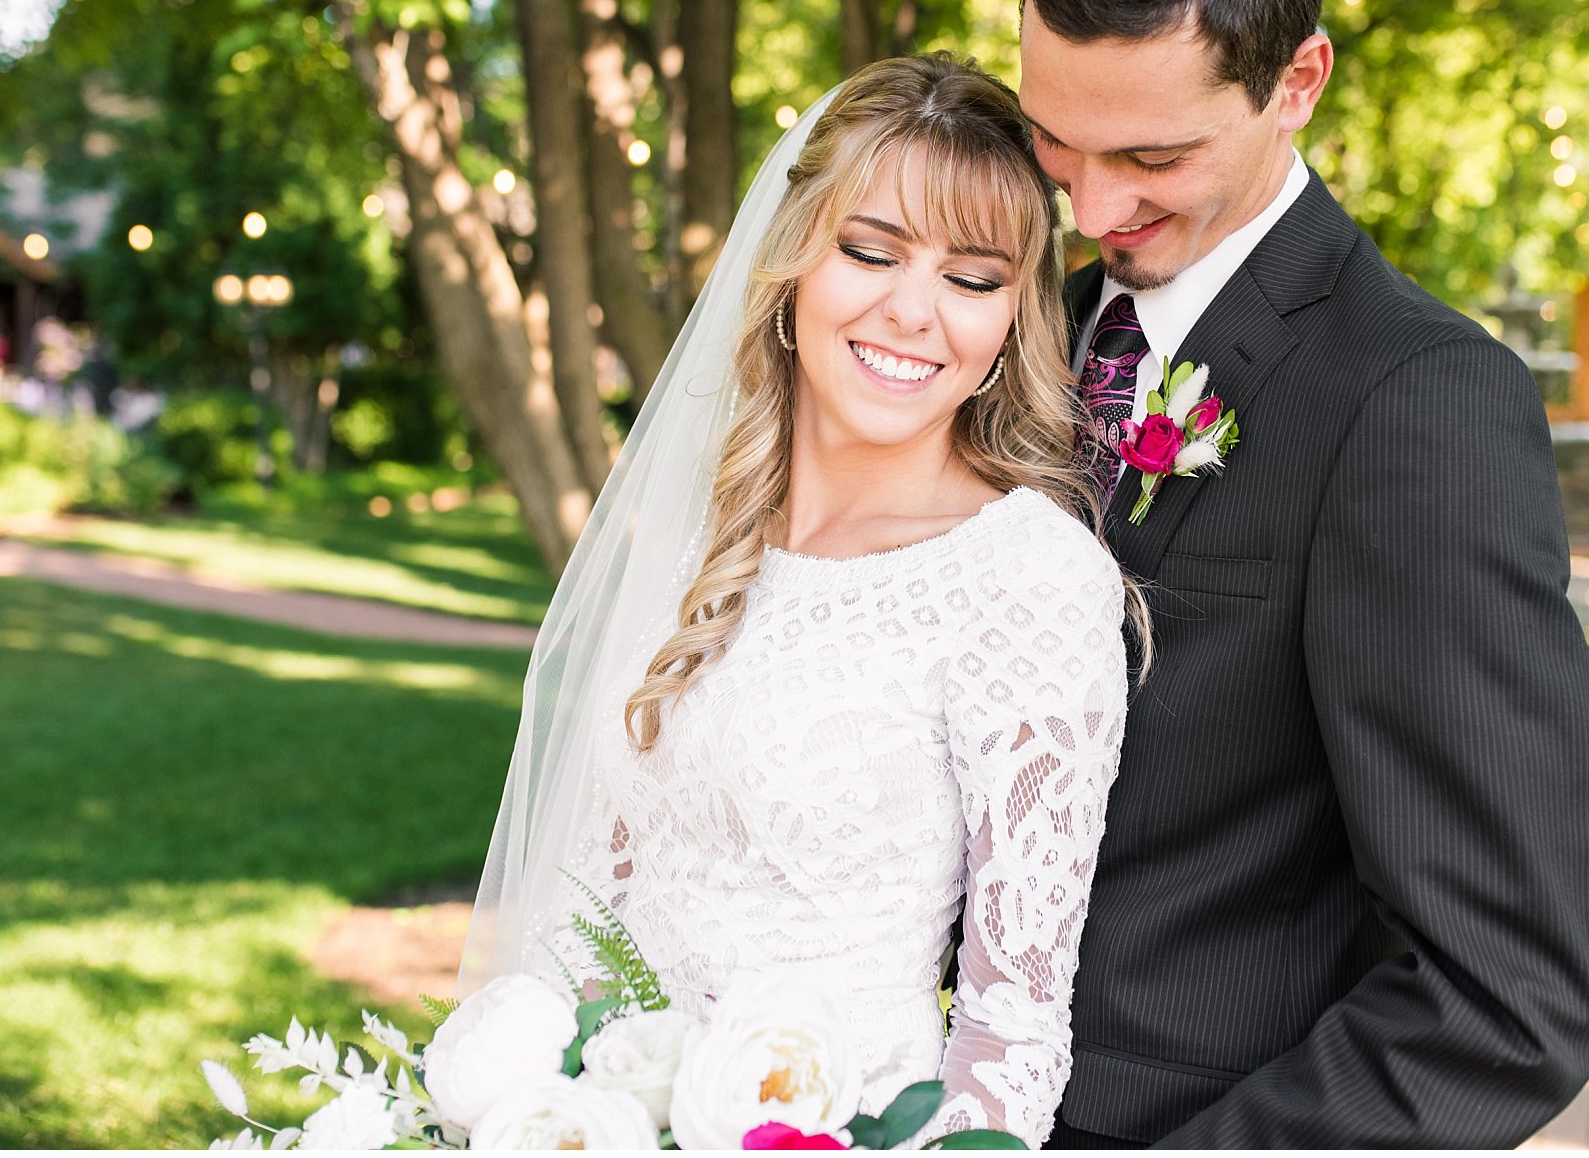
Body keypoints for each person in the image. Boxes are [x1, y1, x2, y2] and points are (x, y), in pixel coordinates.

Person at [1015, 0, 1589, 1149]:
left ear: (1298, 81)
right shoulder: (1017, 341)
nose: (1092, 210)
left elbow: (1511, 998)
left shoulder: (1417, 406)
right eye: (1057, 140)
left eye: (1154, 159)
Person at [461, 55, 1139, 1145]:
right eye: (869, 251)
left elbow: (1010, 1028)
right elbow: (582, 915)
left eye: (971, 279)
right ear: (789, 264)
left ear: (1013, 317)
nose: (912, 311)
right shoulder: (700, 539)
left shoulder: (1026, 576)